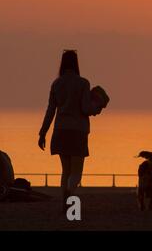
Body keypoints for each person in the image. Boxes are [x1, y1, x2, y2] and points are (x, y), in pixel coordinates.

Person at [38, 50, 101, 211]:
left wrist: (42, 132)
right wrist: (97, 107)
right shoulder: (83, 83)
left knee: (65, 171)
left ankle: (65, 204)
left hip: (60, 131)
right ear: (76, 63)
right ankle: (69, 194)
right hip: (77, 132)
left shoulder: (56, 84)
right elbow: (86, 108)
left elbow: (50, 110)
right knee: (76, 173)